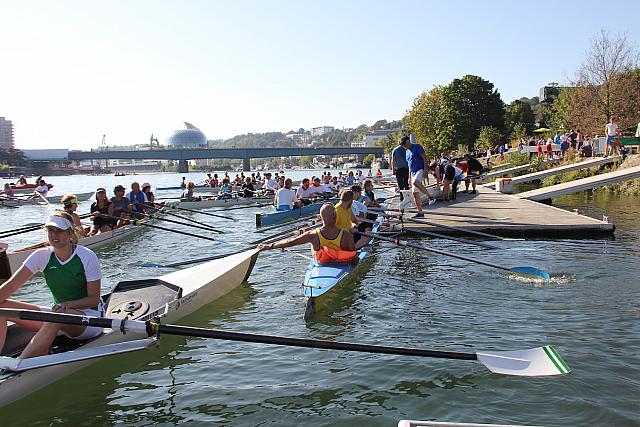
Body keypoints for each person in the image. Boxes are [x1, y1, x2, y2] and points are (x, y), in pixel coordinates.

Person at [0, 211, 103, 359]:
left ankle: (18, 365)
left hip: (89, 320)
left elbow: (93, 299)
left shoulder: (87, 256)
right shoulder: (41, 255)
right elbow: (10, 287)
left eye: (59, 231)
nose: (54, 235)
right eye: (50, 230)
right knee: (2, 307)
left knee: (56, 316)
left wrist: (67, 305)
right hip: (58, 314)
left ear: (70, 233)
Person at [257, 203, 356, 264]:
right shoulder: (346, 235)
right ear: (335, 217)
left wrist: (270, 246)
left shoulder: (312, 234)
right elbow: (354, 256)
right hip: (342, 265)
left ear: (320, 218)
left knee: (313, 245)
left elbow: (290, 242)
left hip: (322, 263)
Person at [403, 135, 435, 217]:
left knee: (416, 182)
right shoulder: (407, 152)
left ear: (407, 142)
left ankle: (430, 197)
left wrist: (425, 170)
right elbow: (409, 166)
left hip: (420, 169)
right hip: (413, 172)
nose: (403, 146)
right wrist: (409, 178)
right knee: (414, 193)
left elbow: (424, 158)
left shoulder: (417, 147)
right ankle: (420, 213)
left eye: (404, 144)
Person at [391, 137, 410, 201]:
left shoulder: (395, 150)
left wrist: (393, 170)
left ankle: (402, 198)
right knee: (406, 183)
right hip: (406, 168)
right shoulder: (406, 149)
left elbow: (393, 161)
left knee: (400, 184)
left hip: (398, 169)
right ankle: (407, 197)